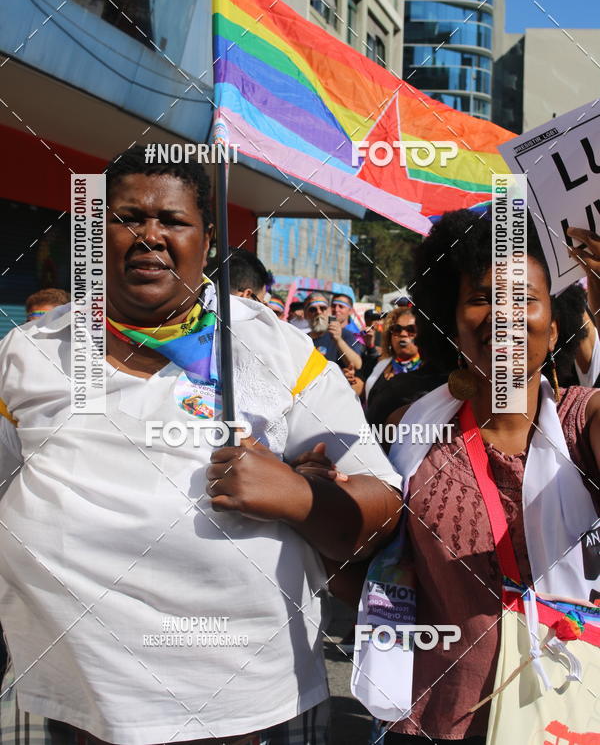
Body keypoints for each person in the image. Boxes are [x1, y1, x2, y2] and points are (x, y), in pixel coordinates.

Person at [0, 145, 403, 745]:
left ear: (208, 239)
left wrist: (297, 495)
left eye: (173, 221)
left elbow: (385, 506)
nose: (149, 236)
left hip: (238, 700)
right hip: (67, 693)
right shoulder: (28, 352)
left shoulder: (273, 348)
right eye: (127, 218)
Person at [371, 209, 600, 744]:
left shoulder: (583, 420)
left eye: (525, 298)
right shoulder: (410, 429)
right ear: (450, 320)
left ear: (556, 322)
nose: (504, 314)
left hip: (566, 715)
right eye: (481, 297)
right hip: (432, 721)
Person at [364, 304, 445, 433]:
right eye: (397, 329)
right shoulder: (380, 365)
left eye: (411, 330)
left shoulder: (432, 374)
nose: (403, 334)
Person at [303, 292, 362, 370]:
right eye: (312, 309)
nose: (318, 312)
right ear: (306, 314)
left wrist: (338, 340)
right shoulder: (303, 339)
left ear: (330, 311)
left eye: (323, 308)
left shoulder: (344, 334)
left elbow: (357, 365)